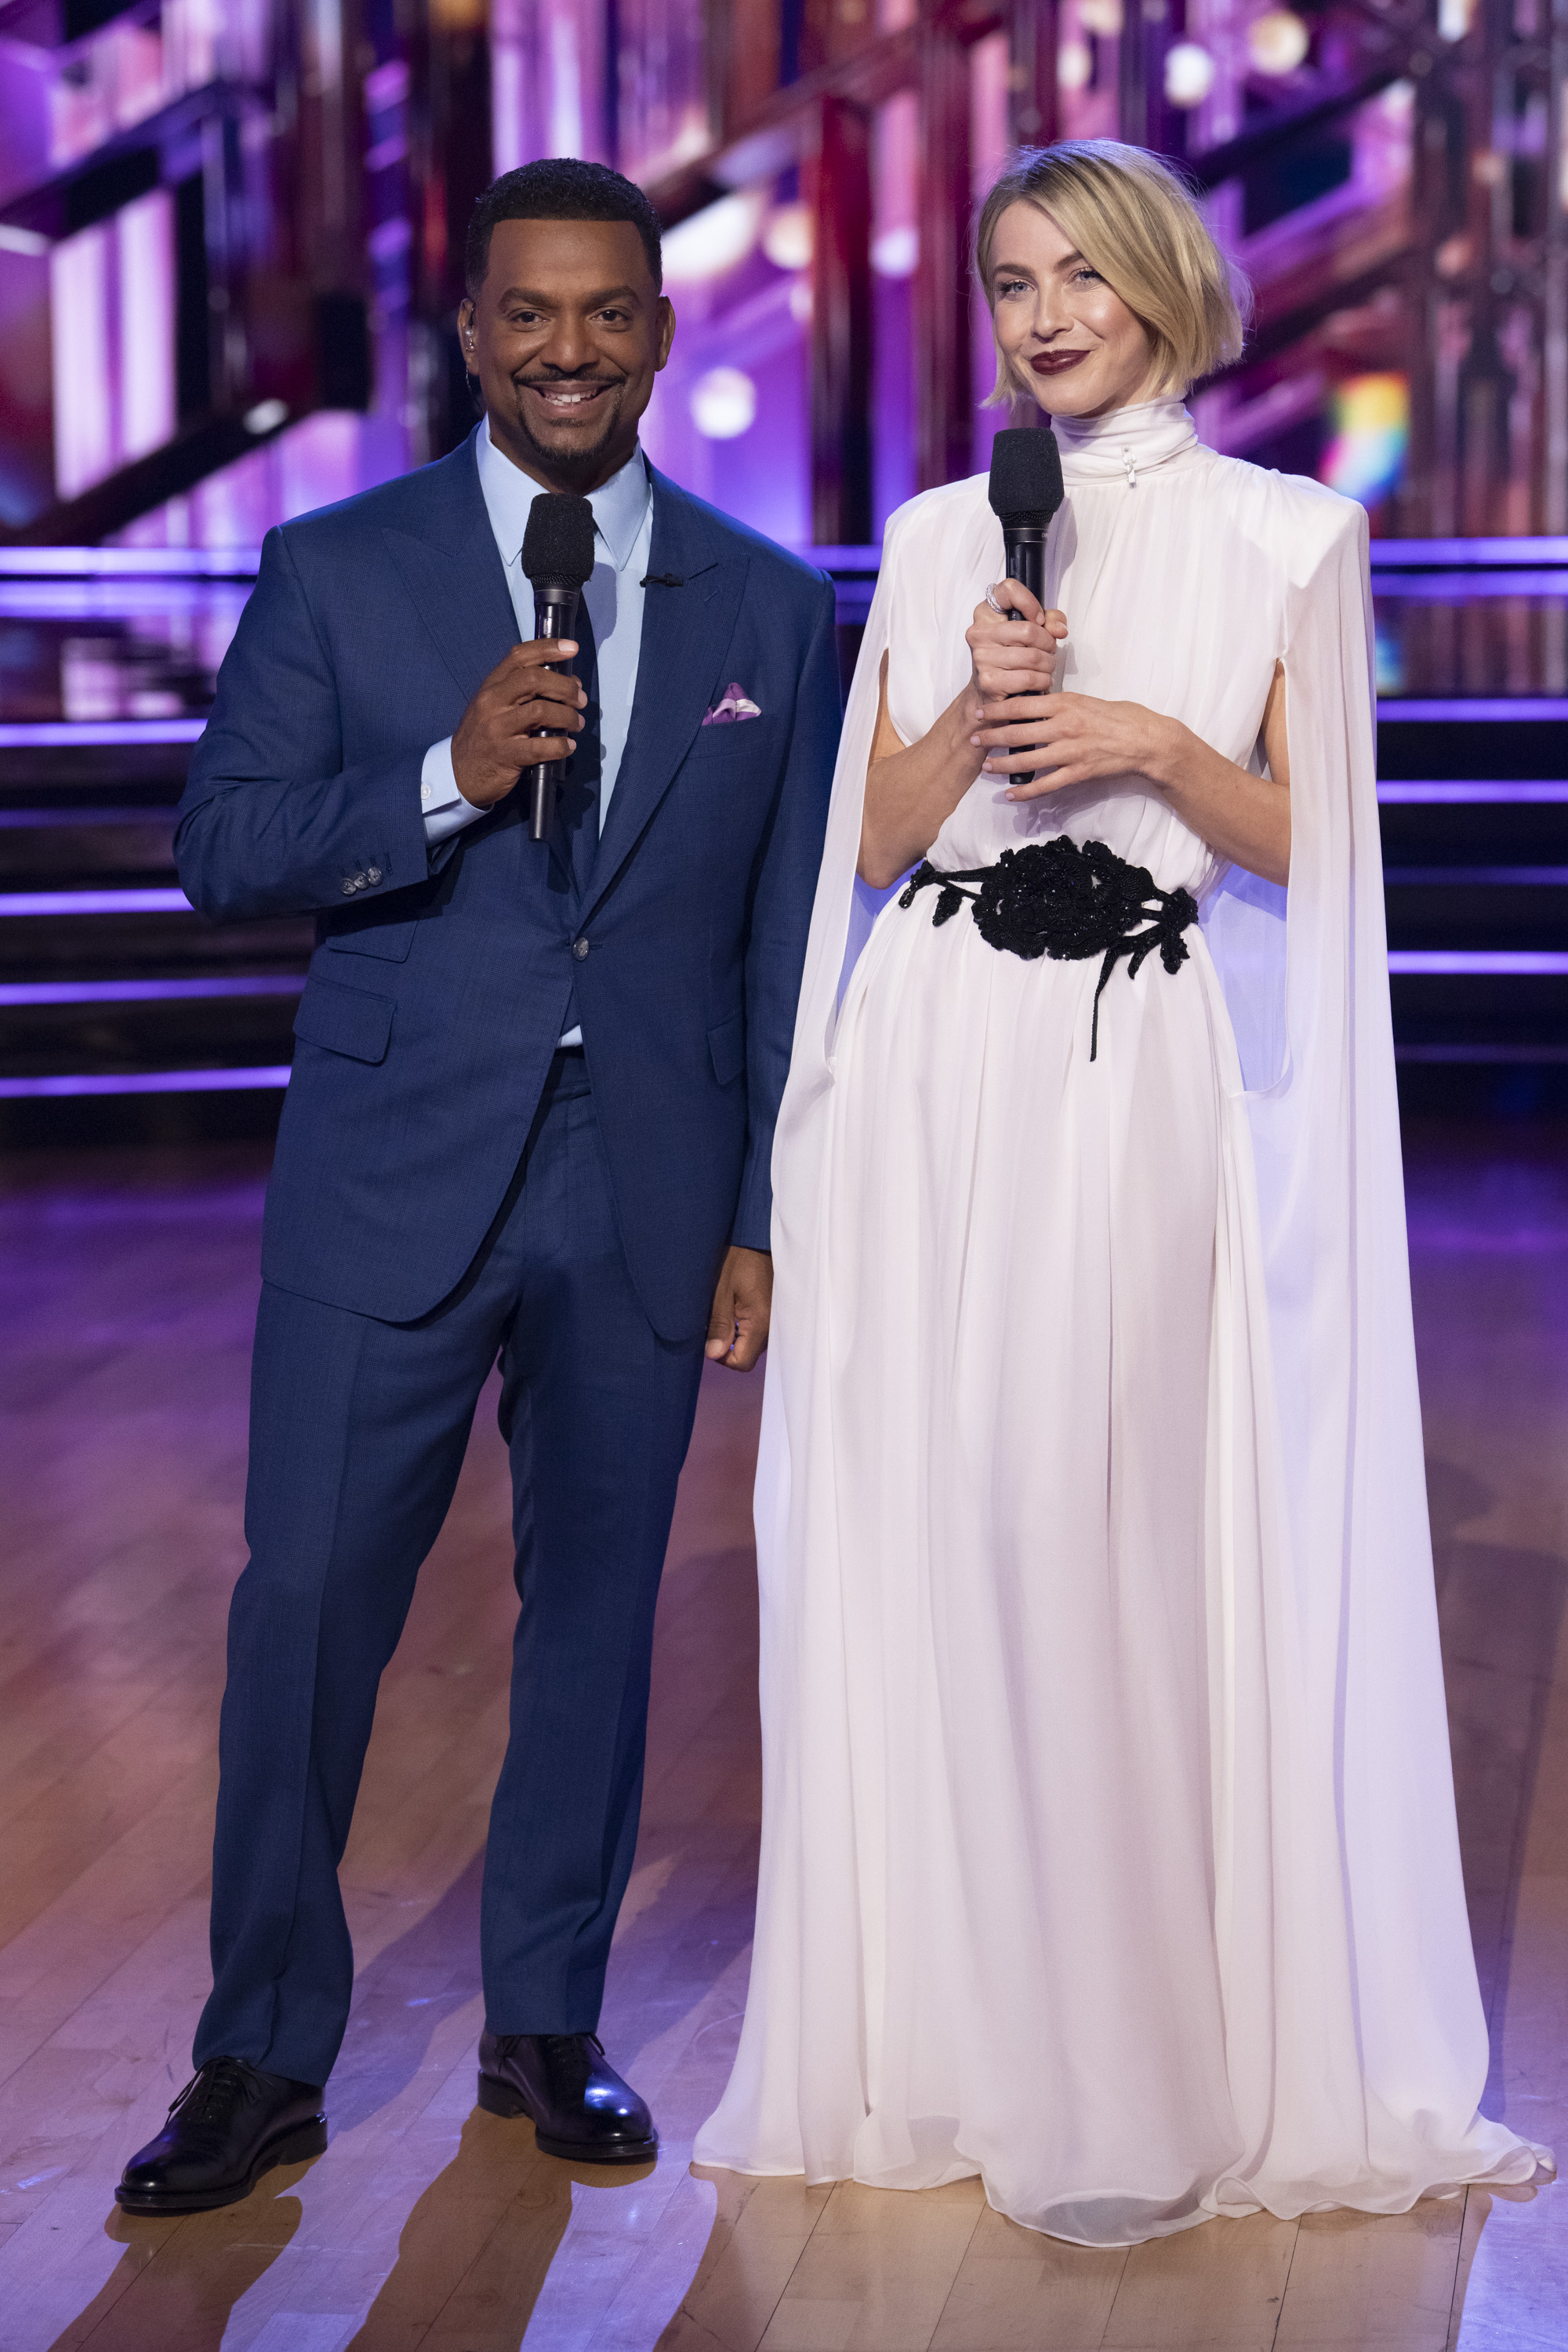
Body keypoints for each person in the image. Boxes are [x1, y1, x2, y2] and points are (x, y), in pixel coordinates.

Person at [695, 140, 1551, 2244]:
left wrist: (1152, 742)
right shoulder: (927, 539)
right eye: (1010, 280)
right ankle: (964, 2034)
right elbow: (876, 845)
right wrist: (983, 715)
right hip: (931, 1061)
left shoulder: (1296, 534)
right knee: (936, 1517)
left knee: (1107, 1515)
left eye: (1082, 271)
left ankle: (1146, 2045)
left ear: (1169, 283)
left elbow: (1310, 852)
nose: (1046, 311)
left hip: (1137, 1067)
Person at [118, 158, 840, 2216]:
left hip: (651, 1185)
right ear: (471, 333)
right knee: (311, 1610)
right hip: (389, 1174)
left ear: (660, 330)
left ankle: (549, 2023)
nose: (571, 350)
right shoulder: (337, 569)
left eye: (608, 312)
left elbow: (785, 935)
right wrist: (445, 775)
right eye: (530, 313)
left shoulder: (768, 604)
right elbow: (227, 845)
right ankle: (257, 2052)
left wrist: (763, 1212)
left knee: (600, 1620)